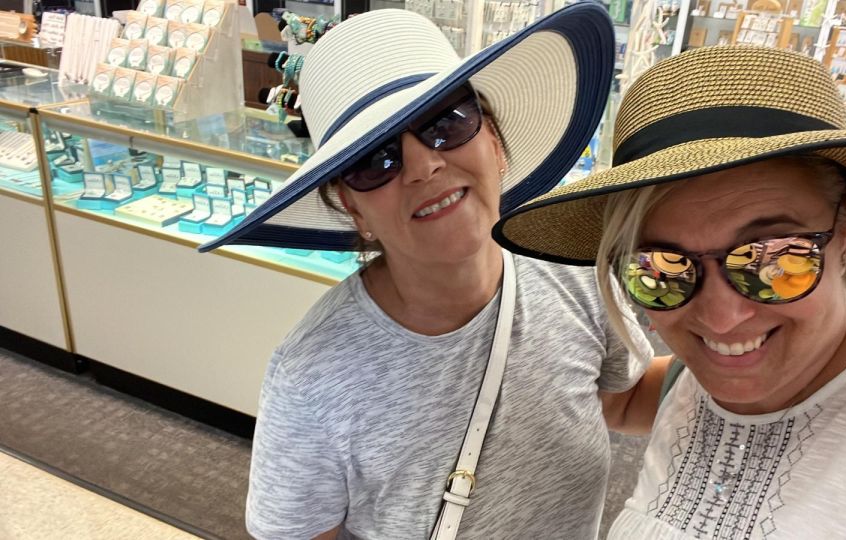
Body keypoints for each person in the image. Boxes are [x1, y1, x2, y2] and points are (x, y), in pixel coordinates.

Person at [199, 5, 652, 539]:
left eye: (446, 123)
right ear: (352, 208)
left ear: (495, 143)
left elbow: (622, 397)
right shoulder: (313, 376)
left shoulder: (571, 270)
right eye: (375, 160)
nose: (423, 166)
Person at [494, 45, 846, 538]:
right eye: (662, 269)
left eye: (772, 258)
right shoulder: (687, 383)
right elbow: (611, 398)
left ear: (843, 228)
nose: (721, 319)